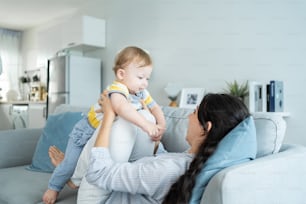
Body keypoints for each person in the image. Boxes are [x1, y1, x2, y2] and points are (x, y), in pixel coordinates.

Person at [42, 46, 166, 204]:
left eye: (147, 78)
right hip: (85, 132)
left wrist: (161, 124)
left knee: (89, 163)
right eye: (141, 77)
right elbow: (122, 108)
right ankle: (53, 187)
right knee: (69, 164)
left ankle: (74, 180)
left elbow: (155, 107)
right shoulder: (116, 89)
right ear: (121, 74)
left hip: (101, 135)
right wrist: (147, 125)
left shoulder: (140, 92)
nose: (145, 84)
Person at [83, 91, 256, 203]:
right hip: (131, 184)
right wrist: (155, 137)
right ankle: (72, 169)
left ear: (206, 128)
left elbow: (98, 173)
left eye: (194, 112)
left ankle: (72, 175)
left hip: (99, 197)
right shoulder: (191, 163)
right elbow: (162, 162)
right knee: (145, 118)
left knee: (123, 123)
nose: (189, 116)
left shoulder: (168, 170)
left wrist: (108, 115)